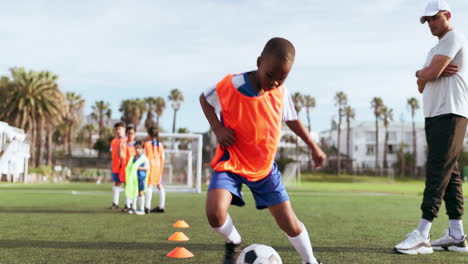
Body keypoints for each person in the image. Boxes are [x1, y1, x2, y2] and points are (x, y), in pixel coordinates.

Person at [199, 37, 327, 264]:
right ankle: (234, 240)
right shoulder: (231, 85)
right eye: (270, 75)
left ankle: (310, 261)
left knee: (289, 222)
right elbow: (205, 99)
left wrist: (314, 146)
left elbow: (293, 120)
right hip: (231, 162)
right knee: (215, 214)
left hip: (264, 168)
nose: (275, 83)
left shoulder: (281, 93)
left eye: (282, 78)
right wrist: (218, 129)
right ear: (259, 62)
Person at [394, 0, 468, 255]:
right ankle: (457, 236)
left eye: (435, 18)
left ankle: (422, 234)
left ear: (447, 15)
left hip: (451, 113)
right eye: (427, 21)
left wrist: (428, 72)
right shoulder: (434, 49)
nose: (431, 24)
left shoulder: (453, 37)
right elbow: (422, 84)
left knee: (438, 170)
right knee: (452, 174)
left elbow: (432, 74)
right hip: (435, 115)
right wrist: (423, 72)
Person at [144, 126, 166, 214]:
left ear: (149, 134)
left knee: (149, 185)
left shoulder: (146, 144)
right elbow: (163, 157)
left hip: (149, 166)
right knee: (159, 185)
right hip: (158, 167)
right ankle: (161, 206)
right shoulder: (160, 145)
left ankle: (147, 207)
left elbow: (144, 156)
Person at [125, 141, 149, 216]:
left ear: (142, 149)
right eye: (136, 148)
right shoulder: (133, 158)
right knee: (134, 192)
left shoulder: (144, 158)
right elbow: (129, 167)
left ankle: (141, 209)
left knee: (140, 193)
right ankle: (133, 208)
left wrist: (139, 168)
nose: (137, 150)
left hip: (141, 177)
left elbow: (147, 168)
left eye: (139, 148)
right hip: (133, 178)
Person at [109, 122, 127, 210]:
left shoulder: (127, 141)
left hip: (125, 166)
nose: (118, 131)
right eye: (116, 130)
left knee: (127, 184)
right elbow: (112, 153)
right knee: (116, 184)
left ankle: (128, 204)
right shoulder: (113, 141)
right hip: (116, 166)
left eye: (119, 129)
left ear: (124, 129)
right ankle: (115, 203)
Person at [122, 125, 137, 213]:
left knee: (134, 187)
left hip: (135, 169)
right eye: (128, 133)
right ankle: (127, 205)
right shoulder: (124, 145)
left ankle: (133, 205)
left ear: (134, 134)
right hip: (126, 169)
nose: (130, 135)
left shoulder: (137, 145)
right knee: (127, 187)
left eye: (132, 133)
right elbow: (122, 156)